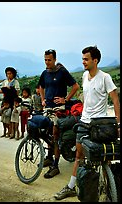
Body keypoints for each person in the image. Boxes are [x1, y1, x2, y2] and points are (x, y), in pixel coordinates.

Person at [54, 45, 120, 200]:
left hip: (100, 124)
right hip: (84, 122)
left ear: (95, 60)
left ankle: (110, 189)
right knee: (79, 156)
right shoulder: (84, 76)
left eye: (86, 59)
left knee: (105, 157)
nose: (83, 62)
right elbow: (87, 99)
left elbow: (116, 101)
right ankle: (71, 186)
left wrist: (118, 124)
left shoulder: (105, 77)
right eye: (82, 59)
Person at [39, 49, 80, 178]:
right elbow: (41, 86)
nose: (47, 62)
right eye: (45, 60)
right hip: (48, 108)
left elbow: (75, 86)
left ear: (54, 59)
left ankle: (55, 165)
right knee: (47, 132)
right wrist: (42, 99)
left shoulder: (62, 71)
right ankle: (49, 156)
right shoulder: (45, 73)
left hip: (59, 109)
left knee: (55, 135)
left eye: (49, 60)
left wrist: (66, 99)